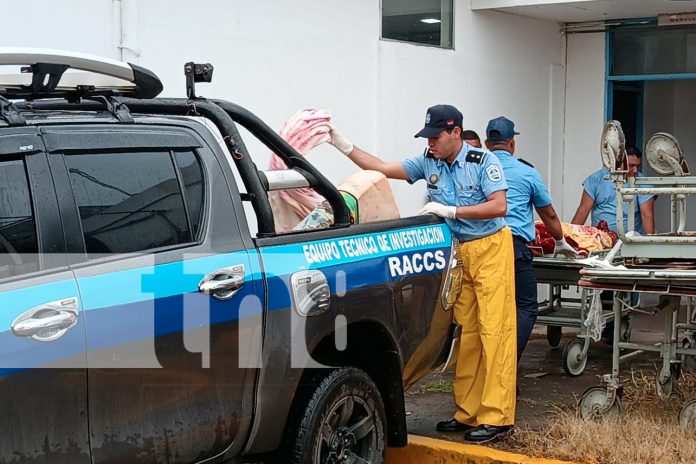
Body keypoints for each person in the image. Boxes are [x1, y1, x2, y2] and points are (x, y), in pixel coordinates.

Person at [329, 104, 516, 443]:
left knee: (495, 331)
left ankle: (497, 416)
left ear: (456, 133)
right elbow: (382, 168)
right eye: (427, 137)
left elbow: (499, 206)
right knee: (467, 332)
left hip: (490, 246)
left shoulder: (483, 162)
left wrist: (451, 210)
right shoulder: (428, 161)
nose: (430, 143)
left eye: (436, 137)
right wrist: (343, 146)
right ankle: (468, 412)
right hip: (460, 250)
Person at [484, 116, 579, 362]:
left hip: (479, 248)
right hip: (512, 247)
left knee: (487, 309)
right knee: (525, 306)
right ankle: (507, 361)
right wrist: (560, 241)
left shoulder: (475, 169)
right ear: (512, 144)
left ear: (486, 143)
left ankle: (487, 364)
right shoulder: (527, 173)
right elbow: (547, 213)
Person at [571, 146, 655, 235]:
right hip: (601, 240)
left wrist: (650, 244)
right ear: (619, 162)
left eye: (638, 166)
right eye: (631, 166)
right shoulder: (596, 179)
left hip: (631, 242)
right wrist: (570, 238)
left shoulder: (643, 182)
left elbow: (646, 215)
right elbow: (583, 211)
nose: (635, 170)